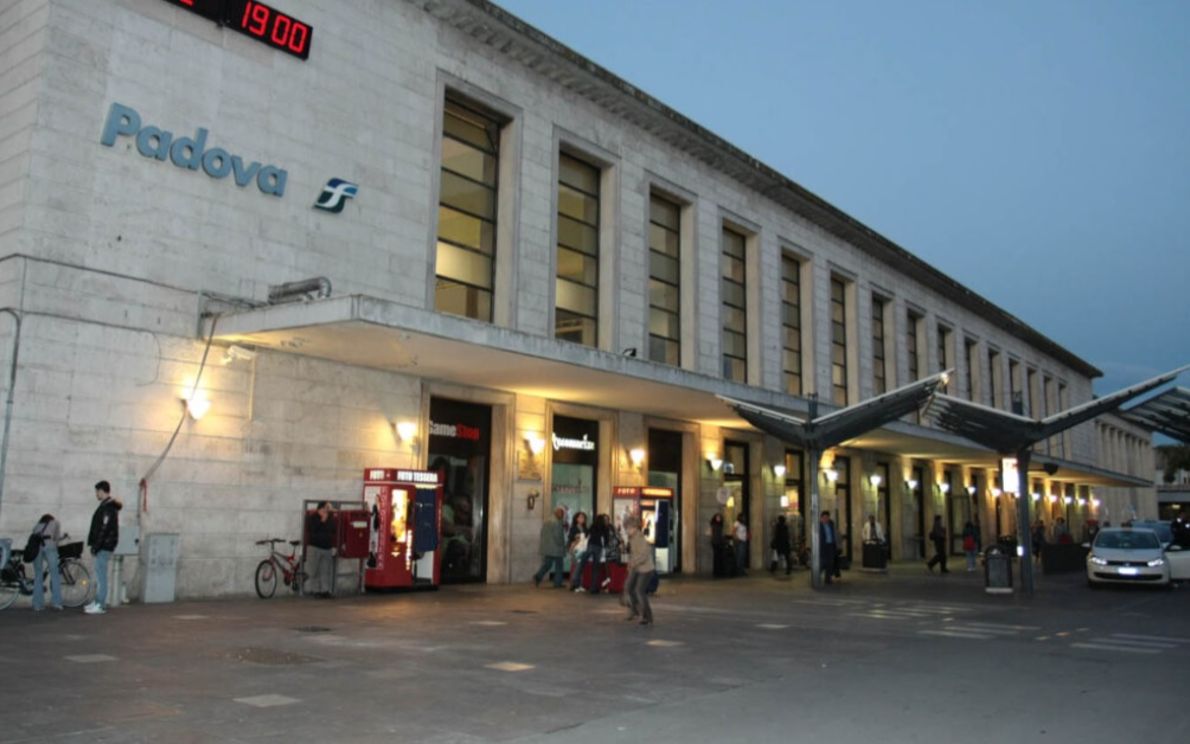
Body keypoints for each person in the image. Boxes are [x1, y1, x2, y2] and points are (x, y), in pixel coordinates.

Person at [85, 480, 121, 615]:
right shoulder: (107, 506)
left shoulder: (107, 508)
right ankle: (97, 602)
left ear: (101, 491)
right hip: (105, 545)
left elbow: (104, 528)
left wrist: (96, 545)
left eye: (97, 491)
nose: (96, 494)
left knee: (101, 576)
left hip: (104, 546)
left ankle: (100, 605)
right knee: (99, 575)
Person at [623, 516, 656, 626]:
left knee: (639, 591)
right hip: (637, 568)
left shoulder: (640, 538)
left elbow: (644, 555)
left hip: (646, 569)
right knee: (628, 587)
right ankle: (635, 610)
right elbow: (633, 553)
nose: (626, 531)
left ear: (634, 528)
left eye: (627, 528)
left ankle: (647, 616)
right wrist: (630, 563)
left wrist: (633, 563)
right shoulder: (632, 538)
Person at [30, 514, 63, 612]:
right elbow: (56, 538)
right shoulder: (55, 523)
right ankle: (56, 603)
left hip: (36, 549)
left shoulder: (37, 525)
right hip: (49, 547)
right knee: (55, 574)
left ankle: (37, 604)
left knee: (38, 575)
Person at [305, 501, 337, 598]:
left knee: (325, 570)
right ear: (320, 508)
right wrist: (322, 520)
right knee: (314, 570)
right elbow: (312, 530)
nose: (328, 510)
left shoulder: (330, 518)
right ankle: (316, 591)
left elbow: (333, 531)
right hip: (315, 547)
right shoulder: (312, 517)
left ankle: (325, 591)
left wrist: (333, 546)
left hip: (327, 548)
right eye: (326, 508)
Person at [533, 507, 566, 588]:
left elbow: (542, 533)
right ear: (557, 513)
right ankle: (557, 583)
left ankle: (538, 576)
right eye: (561, 513)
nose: (562, 515)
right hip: (556, 548)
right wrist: (563, 544)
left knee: (547, 564)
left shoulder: (547, 521)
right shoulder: (556, 522)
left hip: (548, 548)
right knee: (559, 565)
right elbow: (558, 536)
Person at [584, 514, 612, 594]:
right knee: (595, 568)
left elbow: (587, 534)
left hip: (590, 546)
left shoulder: (593, 526)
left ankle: (575, 581)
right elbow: (606, 539)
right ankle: (593, 587)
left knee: (582, 563)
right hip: (598, 547)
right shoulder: (604, 527)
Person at [567, 511, 590, 592]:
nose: (582, 519)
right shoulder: (573, 528)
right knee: (577, 567)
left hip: (583, 549)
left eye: (583, 517)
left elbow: (587, 538)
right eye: (580, 517)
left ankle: (579, 585)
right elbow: (570, 538)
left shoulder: (585, 528)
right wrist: (577, 538)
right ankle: (574, 584)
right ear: (576, 519)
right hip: (575, 549)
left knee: (581, 567)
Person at [819, 511, 838, 584]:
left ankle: (828, 579)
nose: (826, 519)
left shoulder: (831, 524)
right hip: (823, 546)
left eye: (827, 518)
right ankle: (816, 576)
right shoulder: (819, 525)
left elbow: (834, 534)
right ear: (821, 518)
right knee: (823, 562)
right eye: (824, 518)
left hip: (830, 545)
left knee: (830, 562)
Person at [709, 513, 727, 578]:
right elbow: (711, 533)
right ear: (715, 518)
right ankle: (716, 572)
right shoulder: (713, 525)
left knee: (720, 557)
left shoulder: (721, 525)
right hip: (715, 542)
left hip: (720, 542)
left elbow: (722, 534)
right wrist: (712, 540)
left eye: (719, 517)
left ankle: (720, 571)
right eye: (717, 517)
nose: (718, 518)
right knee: (716, 557)